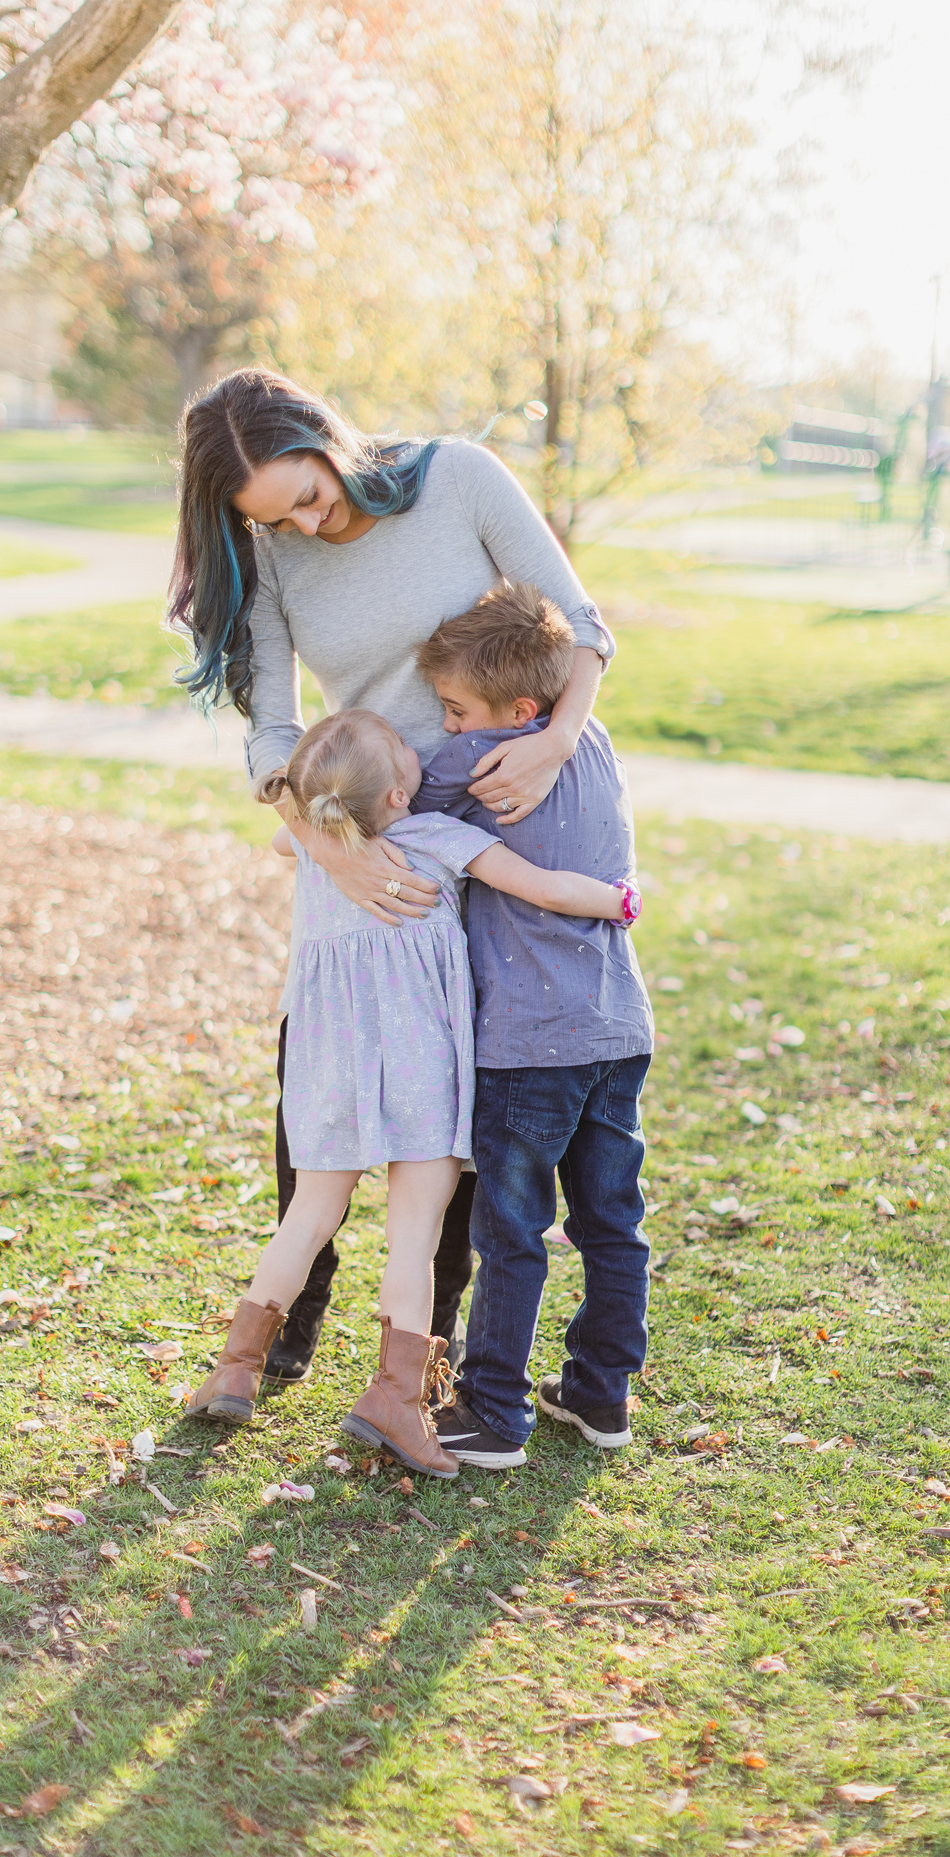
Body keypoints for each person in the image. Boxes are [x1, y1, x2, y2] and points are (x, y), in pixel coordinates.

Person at [169, 367, 616, 1390]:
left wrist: (555, 743)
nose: (306, 525)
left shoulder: (457, 479)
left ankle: (426, 1337)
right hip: (358, 823)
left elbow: (582, 626)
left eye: (309, 495)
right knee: (317, 1061)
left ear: (329, 440)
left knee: (468, 1074)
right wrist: (329, 845)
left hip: (501, 810)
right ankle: (291, 1312)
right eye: (274, 517)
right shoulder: (269, 554)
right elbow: (273, 728)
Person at [181, 709, 638, 1477]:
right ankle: (394, 1396)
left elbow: (278, 832)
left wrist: (324, 819)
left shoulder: (312, 844)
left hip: (329, 1065)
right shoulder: (437, 836)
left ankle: (235, 1368)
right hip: (421, 1065)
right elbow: (538, 886)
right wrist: (616, 902)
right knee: (414, 1234)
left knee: (309, 1215)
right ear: (398, 794)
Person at [397, 583, 657, 1470]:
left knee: (510, 1228)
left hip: (526, 1040)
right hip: (617, 1026)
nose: (445, 723)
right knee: (611, 1220)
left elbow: (386, 803)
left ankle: (494, 1411)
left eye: (455, 709)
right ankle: (600, 1392)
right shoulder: (596, 743)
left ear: (515, 712)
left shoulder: (477, 763)